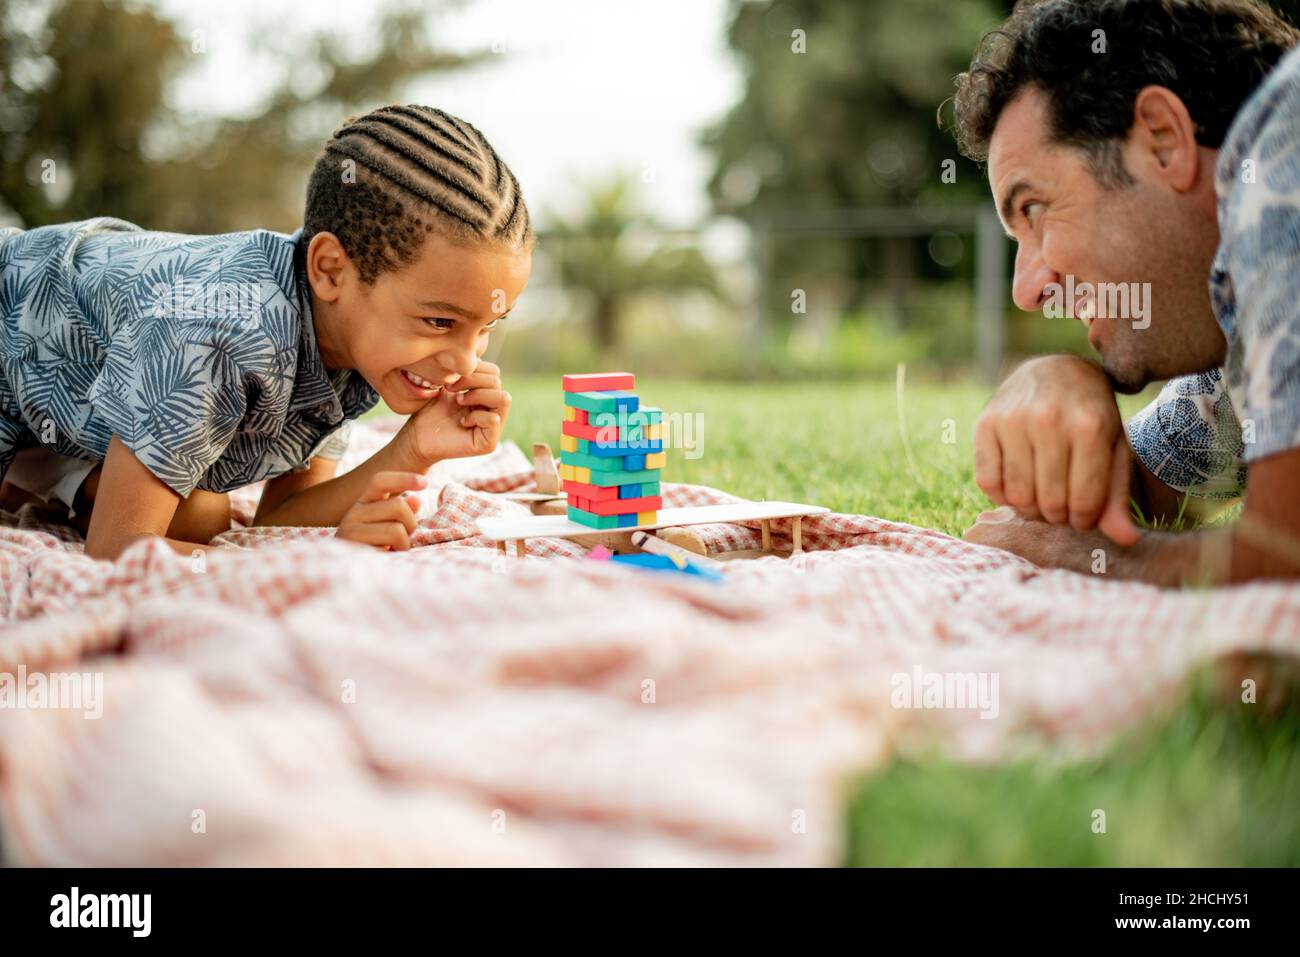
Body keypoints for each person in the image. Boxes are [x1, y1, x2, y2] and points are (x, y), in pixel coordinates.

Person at [0, 105, 530, 559]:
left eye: (485, 328)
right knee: (198, 521)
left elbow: (282, 517)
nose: (465, 360)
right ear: (330, 269)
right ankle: (34, 476)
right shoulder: (219, 336)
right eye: (441, 322)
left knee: (200, 517)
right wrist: (318, 557)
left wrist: (414, 449)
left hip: (55, 398)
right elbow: (116, 550)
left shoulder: (353, 341)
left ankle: (50, 473)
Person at [951, 0, 1300, 584]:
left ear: (1164, 140)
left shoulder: (1280, 159)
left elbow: (1280, 557)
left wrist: (1089, 563)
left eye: (1034, 208)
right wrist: (1068, 378)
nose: (1027, 290)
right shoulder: (1249, 323)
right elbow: (1136, 495)